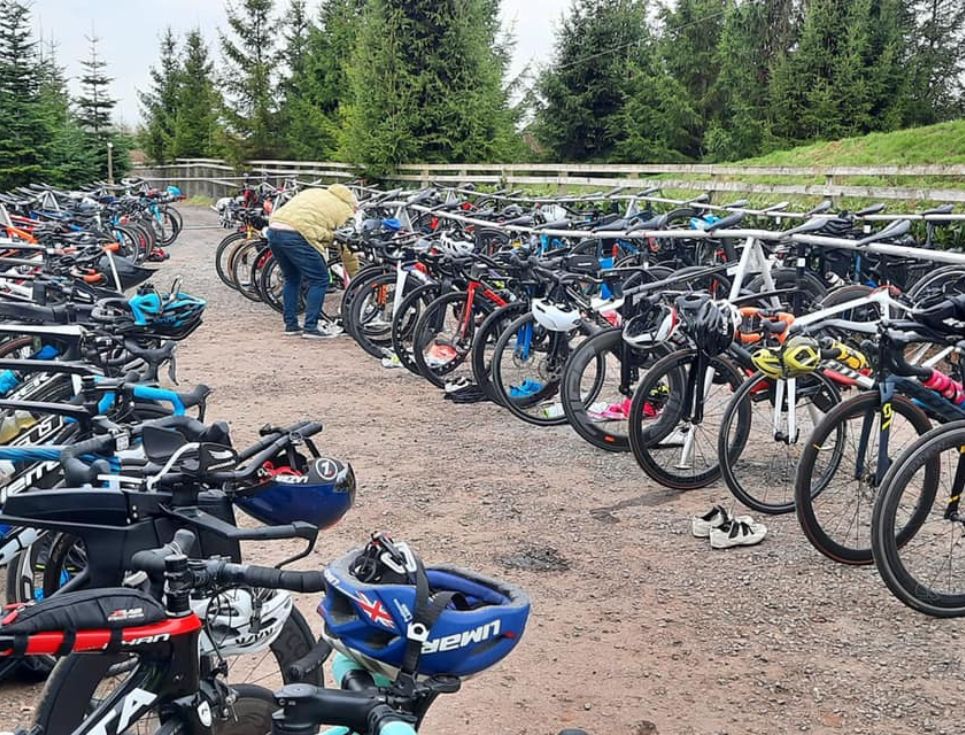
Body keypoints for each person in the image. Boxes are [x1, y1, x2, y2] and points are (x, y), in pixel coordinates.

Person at [266, 183, 358, 339]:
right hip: (298, 234)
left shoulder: (316, 192)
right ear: (352, 204)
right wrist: (356, 277)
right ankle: (311, 327)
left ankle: (291, 325)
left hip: (274, 229)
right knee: (320, 279)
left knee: (292, 278)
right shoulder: (345, 211)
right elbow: (347, 247)